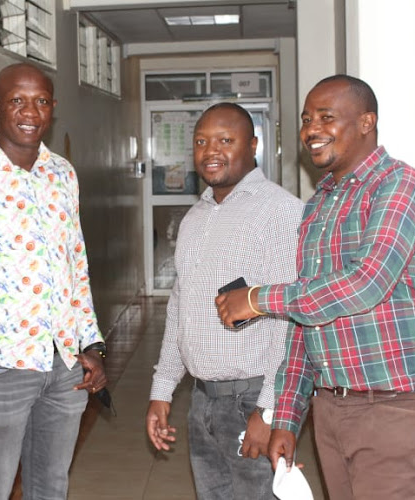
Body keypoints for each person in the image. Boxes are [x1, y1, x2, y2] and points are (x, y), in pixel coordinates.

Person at [215, 75, 415, 500]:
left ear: (366, 122)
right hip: (332, 407)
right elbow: (308, 321)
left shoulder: (399, 185)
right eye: (307, 119)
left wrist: (255, 299)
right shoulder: (320, 203)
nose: (311, 129)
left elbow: (365, 284)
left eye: (327, 117)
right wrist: (286, 417)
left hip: (397, 404)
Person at [0, 62, 107, 499]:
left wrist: (89, 344)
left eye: (41, 101)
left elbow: (76, 263)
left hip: (63, 364)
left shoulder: (62, 174)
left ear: (53, 108)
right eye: (17, 100)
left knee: (50, 485)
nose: (29, 112)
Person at [146, 103, 304, 499]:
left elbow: (291, 319)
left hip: (251, 400)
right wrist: (162, 390)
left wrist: (269, 410)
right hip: (202, 401)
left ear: (253, 145)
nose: (210, 150)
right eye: (201, 141)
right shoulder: (195, 218)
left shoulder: (280, 212)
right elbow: (179, 309)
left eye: (225, 140)